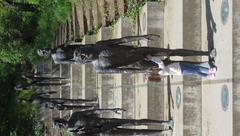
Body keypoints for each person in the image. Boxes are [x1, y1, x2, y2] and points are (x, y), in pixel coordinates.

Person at [37, 34, 216, 73]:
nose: (82, 55)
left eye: (80, 52)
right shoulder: (99, 67)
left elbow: (120, 40)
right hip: (139, 63)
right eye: (80, 57)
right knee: (172, 66)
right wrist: (141, 71)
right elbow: (122, 71)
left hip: (140, 52)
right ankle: (205, 69)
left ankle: (205, 53)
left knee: (171, 52)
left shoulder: (98, 46)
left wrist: (141, 36)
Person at [53, 108, 174, 136]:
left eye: (60, 122)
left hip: (108, 122)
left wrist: (110, 109)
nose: (62, 124)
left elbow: (94, 111)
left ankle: (164, 123)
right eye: (60, 125)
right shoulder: (74, 134)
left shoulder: (76, 115)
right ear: (61, 128)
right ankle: (163, 132)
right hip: (106, 133)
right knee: (137, 132)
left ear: (61, 118)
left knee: (136, 122)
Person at [145, 55, 217, 79]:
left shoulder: (160, 67)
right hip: (180, 71)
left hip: (179, 65)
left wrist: (151, 58)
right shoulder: (161, 72)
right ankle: (208, 76)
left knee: (195, 67)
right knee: (195, 71)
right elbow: (161, 64)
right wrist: (152, 59)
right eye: (152, 70)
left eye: (152, 68)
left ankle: (209, 70)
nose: (153, 68)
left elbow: (159, 62)